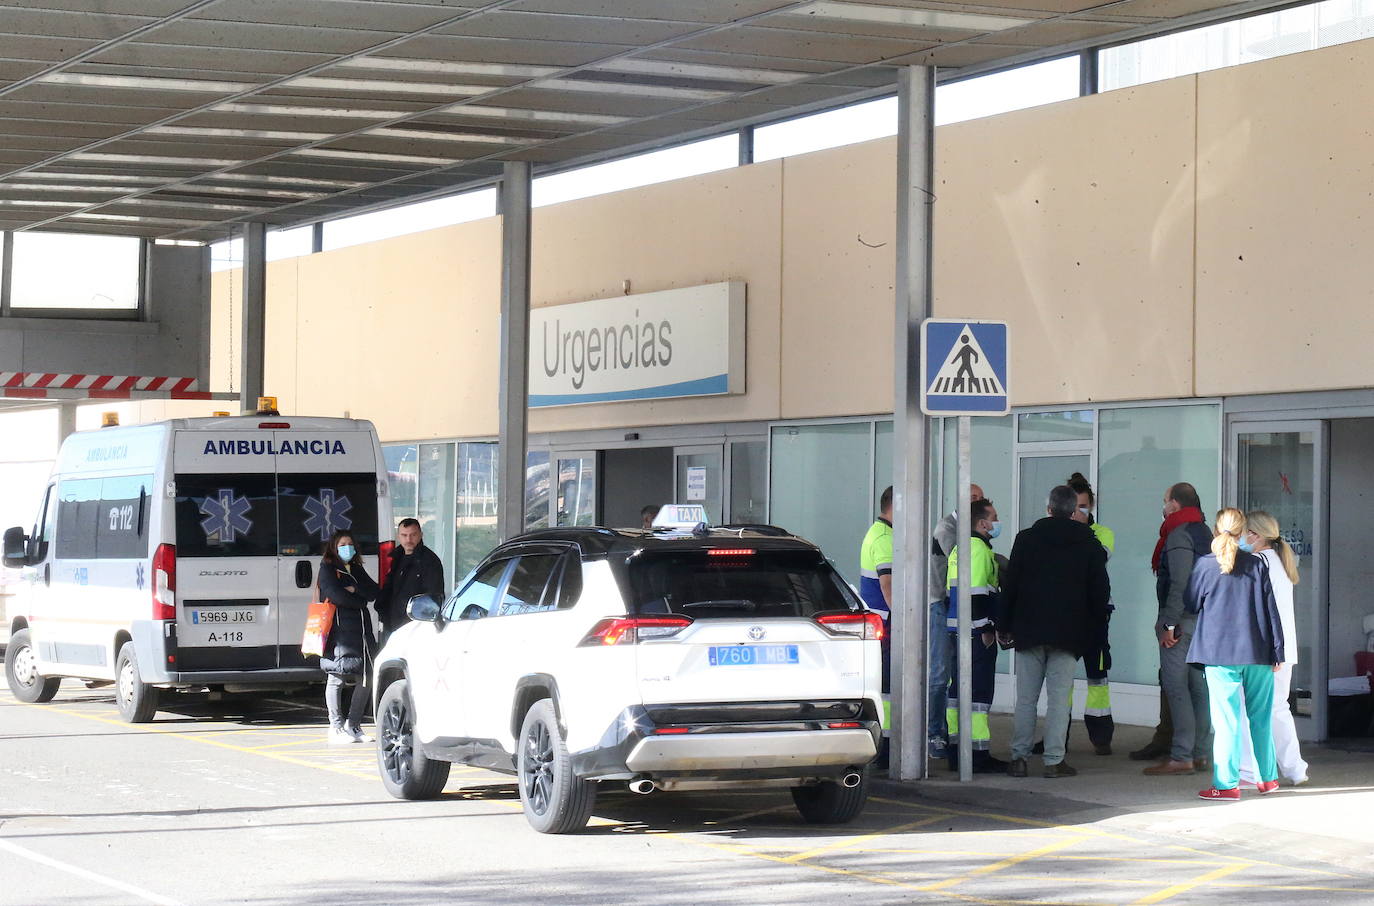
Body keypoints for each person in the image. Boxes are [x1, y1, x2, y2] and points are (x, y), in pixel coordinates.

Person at [1000, 485, 1111, 779]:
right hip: (1068, 633)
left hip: (1028, 630)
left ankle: (1019, 758)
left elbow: (1010, 585)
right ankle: (1053, 761)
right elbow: (1100, 591)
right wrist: (1094, 626)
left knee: (1026, 699)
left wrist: (1004, 625)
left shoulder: (1026, 539)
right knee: (1059, 700)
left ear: (1049, 509)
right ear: (1074, 511)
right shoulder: (1089, 543)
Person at [1185, 508, 1285, 801]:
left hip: (1219, 654)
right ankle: (1268, 779)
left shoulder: (1205, 565)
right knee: (1261, 718)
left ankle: (1227, 785)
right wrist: (1277, 651)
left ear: (1217, 531)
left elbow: (1191, 603)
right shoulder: (1256, 564)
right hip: (1258, 652)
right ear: (1242, 534)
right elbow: (1271, 611)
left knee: (1227, 721)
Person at [1141, 482, 1215, 776]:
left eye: (1164, 500)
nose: (1163, 506)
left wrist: (1169, 623)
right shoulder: (1204, 531)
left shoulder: (1178, 533)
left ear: (1174, 505)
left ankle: (1182, 755)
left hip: (1181, 621)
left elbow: (1180, 581)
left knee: (1177, 685)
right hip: (1202, 619)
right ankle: (1200, 753)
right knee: (1198, 688)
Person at [1237, 511, 1309, 786]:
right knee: (1278, 708)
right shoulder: (1283, 560)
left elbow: (1258, 610)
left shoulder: (1256, 562)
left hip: (1264, 649)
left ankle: (1247, 771)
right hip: (1283, 647)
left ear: (1254, 535)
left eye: (1244, 533)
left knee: (1247, 708)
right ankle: (1295, 769)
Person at [944, 497, 1008, 773]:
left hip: (956, 632)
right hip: (975, 634)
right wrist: (987, 629)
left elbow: (954, 593)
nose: (996, 522)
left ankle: (956, 752)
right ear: (982, 523)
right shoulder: (980, 550)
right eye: (994, 517)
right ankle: (978, 755)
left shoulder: (959, 548)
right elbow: (978, 595)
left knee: (957, 694)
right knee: (979, 696)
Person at [928, 482, 984, 760]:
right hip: (940, 605)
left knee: (960, 673)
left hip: (959, 607)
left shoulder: (972, 533)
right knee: (940, 673)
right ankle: (934, 733)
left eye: (979, 499)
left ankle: (953, 734)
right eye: (972, 498)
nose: (976, 502)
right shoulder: (947, 529)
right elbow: (961, 562)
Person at [318, 529, 380, 745]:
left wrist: (355, 589)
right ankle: (335, 726)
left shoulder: (356, 568)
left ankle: (353, 725)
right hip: (339, 633)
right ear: (334, 547)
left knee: (367, 677)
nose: (347, 548)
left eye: (350, 544)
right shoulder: (327, 568)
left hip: (362, 632)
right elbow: (335, 595)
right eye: (342, 544)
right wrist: (358, 598)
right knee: (336, 676)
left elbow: (374, 591)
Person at [859, 486, 895, 741]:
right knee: (888, 687)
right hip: (886, 620)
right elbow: (888, 583)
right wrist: (903, 618)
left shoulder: (877, 531)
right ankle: (888, 741)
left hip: (877, 619)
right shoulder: (885, 537)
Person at [378, 518, 445, 643]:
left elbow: (433, 596)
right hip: (392, 623)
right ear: (398, 536)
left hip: (415, 627)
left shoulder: (429, 561)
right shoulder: (395, 558)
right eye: (404, 535)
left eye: (413, 535)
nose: (408, 539)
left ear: (421, 535)